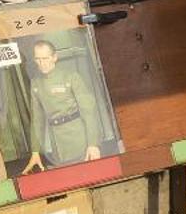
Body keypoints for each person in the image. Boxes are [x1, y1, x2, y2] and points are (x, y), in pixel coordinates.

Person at [23, 39, 117, 171]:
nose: (42, 63)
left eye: (45, 58)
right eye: (38, 59)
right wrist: (35, 151)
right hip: (58, 147)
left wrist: (93, 144)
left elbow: (88, 111)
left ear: (54, 57)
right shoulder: (36, 83)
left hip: (80, 141)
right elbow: (37, 120)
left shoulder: (71, 77)